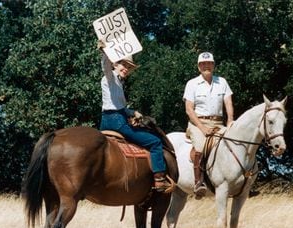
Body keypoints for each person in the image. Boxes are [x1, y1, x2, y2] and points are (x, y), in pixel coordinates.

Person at [97, 40, 172, 192]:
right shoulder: (110, 77)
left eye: (129, 67)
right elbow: (105, 67)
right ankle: (159, 179)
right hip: (117, 122)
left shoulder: (118, 83)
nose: (126, 69)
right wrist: (104, 52)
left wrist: (132, 112)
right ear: (115, 64)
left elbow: (119, 106)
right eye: (124, 65)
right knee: (155, 142)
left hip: (107, 120)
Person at [183, 52, 234, 199]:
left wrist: (230, 120)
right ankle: (199, 182)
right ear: (199, 67)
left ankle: (238, 180)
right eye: (203, 64)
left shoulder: (222, 82)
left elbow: (228, 102)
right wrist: (201, 127)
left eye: (209, 63)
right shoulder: (192, 84)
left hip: (218, 122)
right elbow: (189, 109)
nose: (207, 66)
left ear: (213, 65)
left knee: (235, 143)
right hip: (198, 122)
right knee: (200, 146)